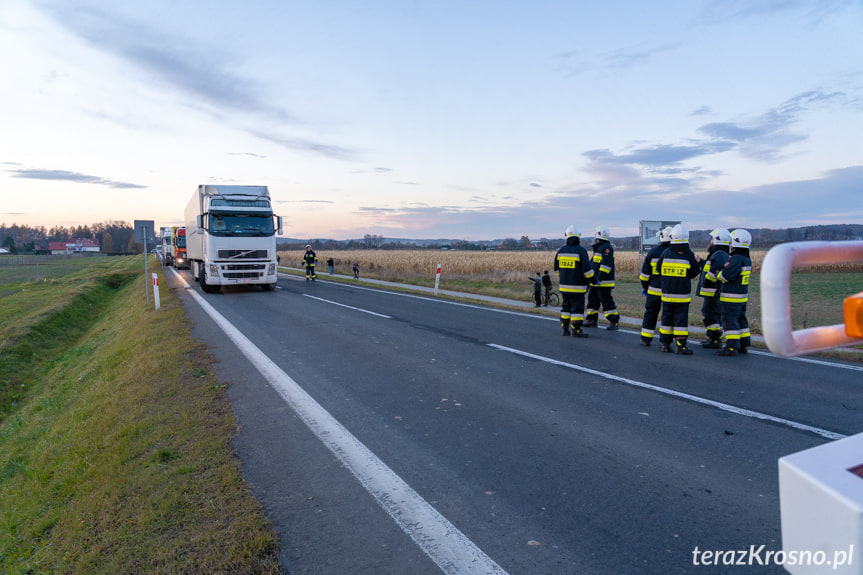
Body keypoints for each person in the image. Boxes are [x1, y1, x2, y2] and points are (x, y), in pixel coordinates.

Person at [656, 224, 701, 354]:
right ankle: (681, 346)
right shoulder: (688, 255)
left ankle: (664, 344)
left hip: (667, 294)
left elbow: (659, 269)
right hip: (682, 295)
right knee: (680, 321)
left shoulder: (666, 253)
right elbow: (694, 272)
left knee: (666, 320)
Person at [715, 229, 753, 356]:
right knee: (741, 320)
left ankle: (731, 347)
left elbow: (726, 276)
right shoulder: (746, 259)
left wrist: (718, 273)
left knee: (730, 320)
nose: (730, 244)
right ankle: (743, 344)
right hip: (742, 296)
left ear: (737, 243)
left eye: (732, 241)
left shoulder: (736, 259)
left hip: (731, 297)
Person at [553, 225, 595, 338]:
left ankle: (565, 328)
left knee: (565, 307)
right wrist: (593, 280)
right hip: (578, 287)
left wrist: (564, 278)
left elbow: (556, 269)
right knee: (577, 309)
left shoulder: (561, 251)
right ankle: (576, 330)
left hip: (564, 287)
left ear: (566, 236)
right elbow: (587, 270)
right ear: (578, 237)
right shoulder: (581, 251)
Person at [695, 228, 731, 349]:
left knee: (710, 314)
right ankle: (714, 338)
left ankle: (715, 339)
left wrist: (706, 281)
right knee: (711, 314)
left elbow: (715, 271)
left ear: (717, 240)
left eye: (712, 238)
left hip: (713, 292)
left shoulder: (719, 254)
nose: (710, 241)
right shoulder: (719, 253)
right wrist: (701, 262)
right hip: (713, 292)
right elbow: (711, 266)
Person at [638, 226, 672, 346]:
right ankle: (665, 343)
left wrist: (645, 287)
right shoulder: (674, 253)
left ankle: (645, 339)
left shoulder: (652, 252)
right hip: (669, 291)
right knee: (667, 316)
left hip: (653, 290)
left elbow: (644, 275)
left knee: (650, 314)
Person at [584, 225, 620, 330]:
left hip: (604, 282)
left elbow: (606, 266)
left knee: (606, 302)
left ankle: (614, 321)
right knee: (592, 301)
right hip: (596, 282)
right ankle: (591, 320)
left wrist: (598, 279)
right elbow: (592, 264)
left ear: (597, 235)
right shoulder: (599, 248)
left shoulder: (607, 248)